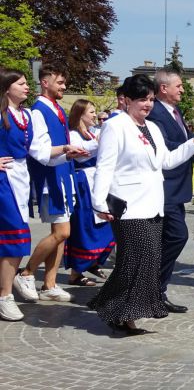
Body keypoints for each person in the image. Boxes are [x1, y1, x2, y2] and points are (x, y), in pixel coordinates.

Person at [88, 74, 194, 335]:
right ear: (127, 100)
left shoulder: (152, 128)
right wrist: (99, 203)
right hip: (127, 204)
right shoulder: (116, 125)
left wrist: (192, 144)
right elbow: (105, 165)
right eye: (142, 100)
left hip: (153, 204)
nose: (147, 105)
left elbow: (165, 161)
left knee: (143, 260)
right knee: (136, 260)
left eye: (151, 100)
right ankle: (125, 315)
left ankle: (109, 305)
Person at [15, 65, 88, 303]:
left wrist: (69, 154)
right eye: (60, 82)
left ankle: (49, 283)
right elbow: (40, 151)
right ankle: (26, 273)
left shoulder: (55, 108)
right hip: (51, 179)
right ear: (45, 83)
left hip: (63, 175)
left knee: (61, 235)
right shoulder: (38, 111)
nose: (64, 87)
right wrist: (66, 151)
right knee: (62, 232)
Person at [0, 69, 66, 320]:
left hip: (20, 178)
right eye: (21, 83)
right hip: (3, 179)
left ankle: (5, 292)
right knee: (15, 237)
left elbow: (40, 151)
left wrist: (68, 150)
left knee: (14, 239)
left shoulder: (27, 115)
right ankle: (5, 295)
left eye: (27, 83)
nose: (27, 87)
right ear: (7, 88)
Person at [145, 68, 194, 313]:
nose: (183, 90)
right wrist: (193, 145)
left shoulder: (174, 111)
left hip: (177, 187)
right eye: (179, 86)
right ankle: (151, 287)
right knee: (176, 236)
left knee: (169, 238)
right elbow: (164, 147)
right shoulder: (154, 113)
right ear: (163, 88)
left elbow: (185, 138)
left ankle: (156, 290)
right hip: (165, 187)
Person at [65, 99, 114, 287]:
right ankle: (75, 273)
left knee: (105, 225)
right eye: (91, 112)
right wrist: (101, 142)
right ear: (80, 114)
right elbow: (81, 152)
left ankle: (93, 262)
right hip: (83, 182)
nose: (95, 115)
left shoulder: (92, 133)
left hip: (97, 180)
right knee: (84, 226)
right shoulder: (72, 134)